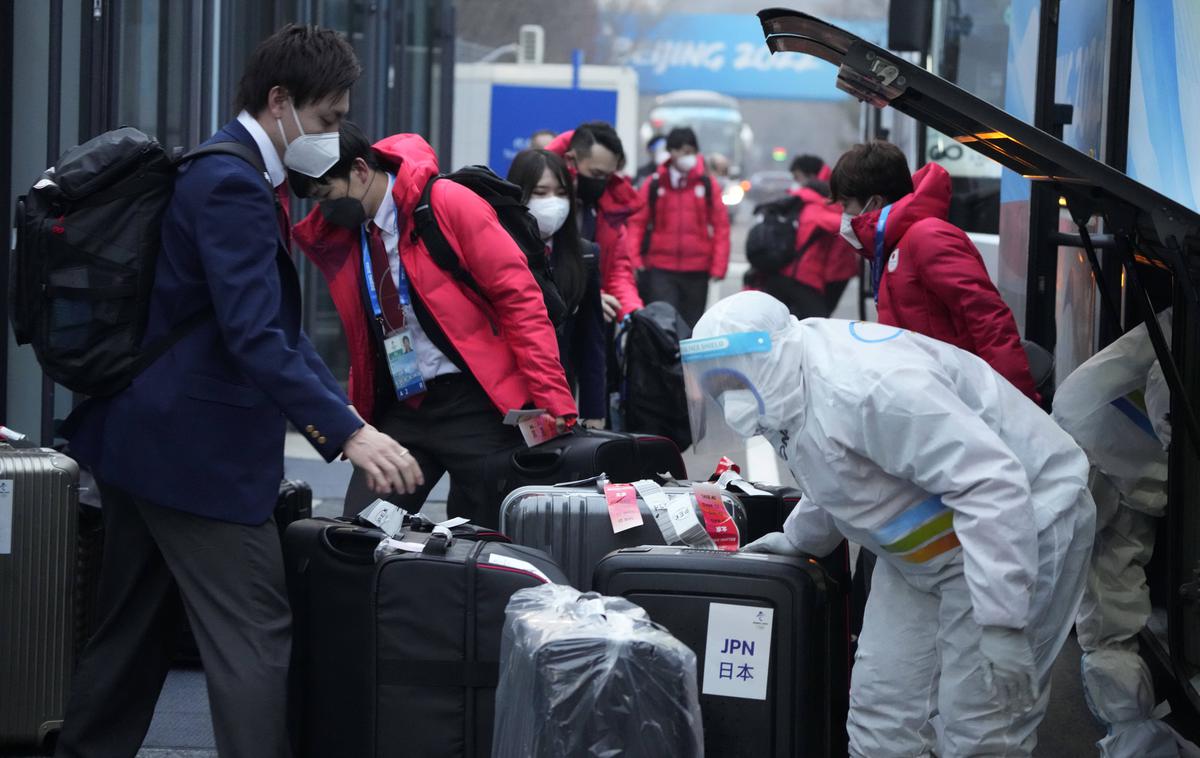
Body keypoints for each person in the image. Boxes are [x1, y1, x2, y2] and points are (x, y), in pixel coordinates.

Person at [54, 26, 420, 758]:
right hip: (196, 460)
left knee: (131, 636)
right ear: (279, 101)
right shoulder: (232, 182)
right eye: (325, 118)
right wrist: (350, 432)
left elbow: (253, 330)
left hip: (145, 440)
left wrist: (342, 420)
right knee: (254, 634)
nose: (333, 135)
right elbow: (257, 335)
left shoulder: (229, 171)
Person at [683, 291, 1094, 758]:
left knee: (982, 726)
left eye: (732, 379)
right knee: (882, 714)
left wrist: (1002, 621)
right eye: (716, 386)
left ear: (768, 356)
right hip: (927, 552)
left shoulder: (872, 388)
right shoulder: (789, 384)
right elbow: (840, 471)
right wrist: (799, 539)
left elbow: (992, 486)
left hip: (1020, 530)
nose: (728, 398)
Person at [292, 122, 577, 524]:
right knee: (362, 531)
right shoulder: (350, 236)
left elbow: (521, 300)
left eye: (327, 194)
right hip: (406, 404)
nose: (324, 209)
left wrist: (553, 400)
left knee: (485, 544)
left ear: (359, 170)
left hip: (477, 406)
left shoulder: (445, 202)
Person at [1053, 310, 1196, 757]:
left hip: (1131, 461)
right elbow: (1167, 386)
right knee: (1047, 577)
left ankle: (1132, 731)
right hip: (1097, 442)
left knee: (1108, 596)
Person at [833, 140, 1040, 401]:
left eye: (845, 205)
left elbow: (988, 319)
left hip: (958, 399)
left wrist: (1018, 403)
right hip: (931, 397)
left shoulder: (926, 236)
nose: (843, 216)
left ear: (874, 202)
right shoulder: (893, 245)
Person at [507, 148, 607, 427]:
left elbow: (590, 341)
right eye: (540, 192)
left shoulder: (584, 256)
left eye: (561, 193)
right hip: (503, 400)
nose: (552, 202)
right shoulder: (497, 252)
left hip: (560, 404)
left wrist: (594, 411)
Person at [628, 126, 731, 328]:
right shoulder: (655, 184)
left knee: (692, 327)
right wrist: (634, 260)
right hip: (661, 268)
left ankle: (686, 362)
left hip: (698, 269)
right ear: (671, 152)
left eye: (692, 151)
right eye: (683, 151)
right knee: (663, 325)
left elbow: (721, 226)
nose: (688, 156)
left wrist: (719, 265)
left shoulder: (708, 184)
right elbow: (637, 223)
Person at [546, 122, 644, 322]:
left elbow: (618, 268)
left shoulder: (607, 207)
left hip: (593, 326)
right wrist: (588, 298)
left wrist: (633, 312)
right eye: (596, 174)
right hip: (550, 322)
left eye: (608, 176)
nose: (602, 182)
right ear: (571, 161)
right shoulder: (544, 207)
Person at [750, 159, 856, 320]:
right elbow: (844, 225)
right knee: (818, 323)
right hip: (800, 277)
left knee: (784, 323)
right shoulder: (814, 207)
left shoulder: (800, 203)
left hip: (783, 275)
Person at [791, 154, 858, 313]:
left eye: (797, 177)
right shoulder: (829, 187)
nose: (797, 183)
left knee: (816, 316)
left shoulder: (821, 193)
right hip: (833, 266)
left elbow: (837, 222)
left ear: (809, 174)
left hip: (834, 267)